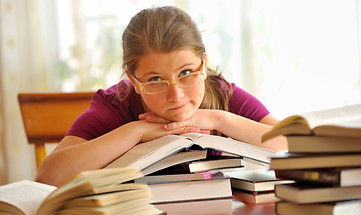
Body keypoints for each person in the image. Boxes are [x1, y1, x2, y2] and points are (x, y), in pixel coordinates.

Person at [35, 6, 287, 186]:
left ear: (204, 63)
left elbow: (294, 144)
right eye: (155, 79)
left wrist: (218, 119)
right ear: (133, 81)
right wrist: (137, 131)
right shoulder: (116, 104)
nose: (175, 94)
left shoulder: (220, 92)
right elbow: (50, 177)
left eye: (186, 72)